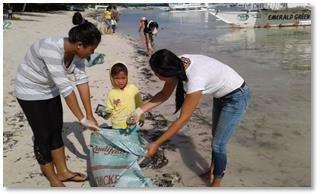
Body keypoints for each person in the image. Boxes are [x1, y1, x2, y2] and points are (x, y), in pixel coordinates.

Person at [127, 49, 251, 187]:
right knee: (215, 137)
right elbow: (164, 94)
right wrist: (139, 111)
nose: (156, 77)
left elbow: (183, 119)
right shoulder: (177, 63)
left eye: (158, 74)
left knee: (218, 144)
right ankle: (213, 170)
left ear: (168, 73)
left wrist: (156, 143)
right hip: (221, 96)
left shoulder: (195, 80)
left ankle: (216, 184)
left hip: (237, 96)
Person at [14, 12, 101, 187]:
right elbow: (67, 89)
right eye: (91, 49)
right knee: (43, 135)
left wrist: (89, 114)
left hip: (49, 88)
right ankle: (53, 179)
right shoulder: (51, 49)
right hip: (29, 90)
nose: (92, 53)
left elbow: (82, 82)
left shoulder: (78, 55)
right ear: (79, 45)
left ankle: (62, 172)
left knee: (56, 129)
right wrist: (82, 119)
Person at [105, 63, 144, 130]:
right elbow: (109, 109)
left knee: (132, 140)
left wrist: (142, 117)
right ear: (112, 78)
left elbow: (139, 104)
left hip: (132, 123)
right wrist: (104, 113)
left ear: (127, 76)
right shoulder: (111, 93)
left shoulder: (133, 89)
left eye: (123, 78)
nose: (120, 81)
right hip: (117, 125)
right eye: (117, 78)